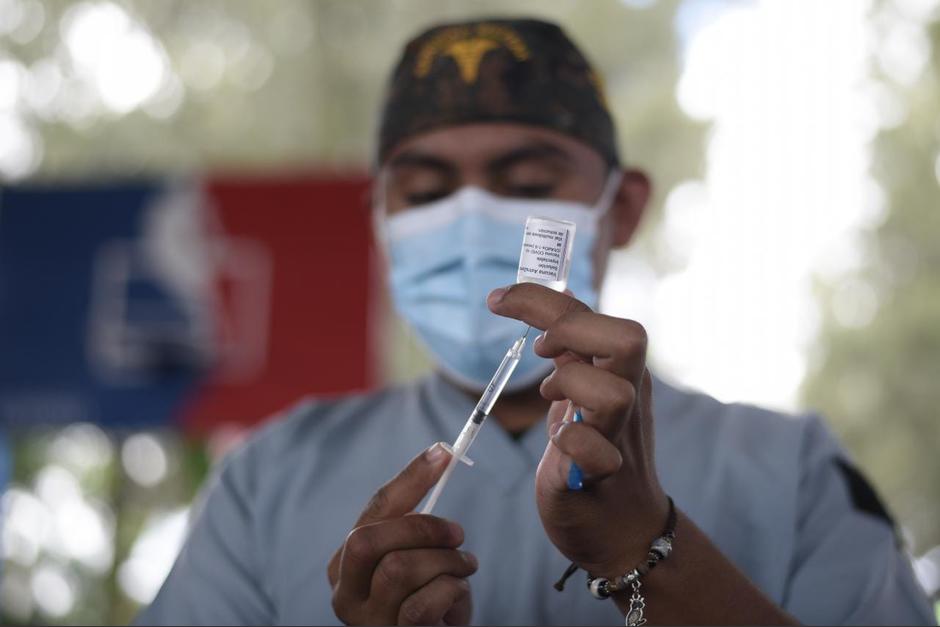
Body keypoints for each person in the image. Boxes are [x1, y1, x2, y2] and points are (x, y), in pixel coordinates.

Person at [138, 18, 936, 626]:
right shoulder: (269, 476)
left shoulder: (793, 473)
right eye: (423, 193)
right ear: (378, 217)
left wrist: (646, 548)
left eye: (524, 181)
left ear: (620, 209)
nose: (473, 215)